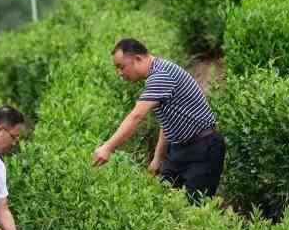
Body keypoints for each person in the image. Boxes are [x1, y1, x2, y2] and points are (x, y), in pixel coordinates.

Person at [92, 38, 225, 202]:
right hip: (178, 149)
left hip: (203, 148)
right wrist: (157, 158)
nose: (120, 73)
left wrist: (108, 147)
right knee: (160, 201)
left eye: (121, 67)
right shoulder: (156, 74)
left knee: (196, 210)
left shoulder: (161, 75)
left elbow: (136, 116)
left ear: (137, 59)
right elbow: (167, 120)